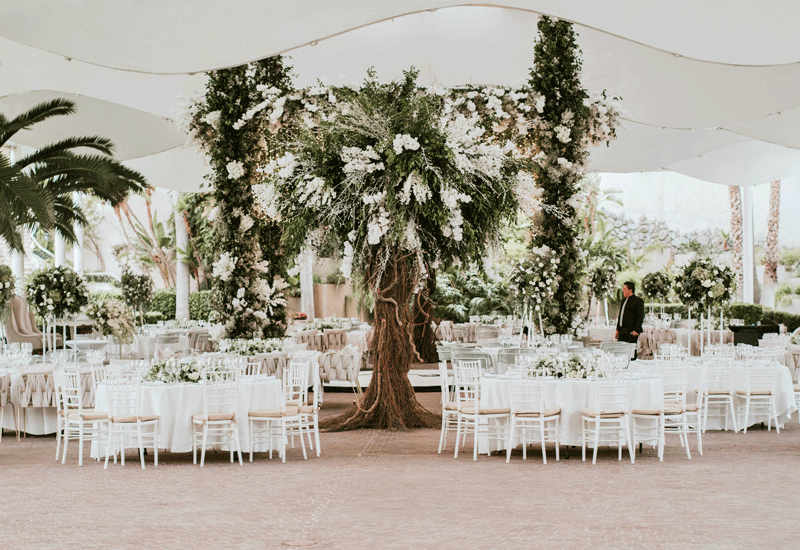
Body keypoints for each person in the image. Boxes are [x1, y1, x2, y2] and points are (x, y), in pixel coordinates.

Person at [615, 281, 644, 359]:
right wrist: (617, 329)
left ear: (630, 290)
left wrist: (637, 330)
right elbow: (620, 316)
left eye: (624, 288)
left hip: (632, 331)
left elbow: (640, 316)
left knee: (631, 354)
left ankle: (633, 368)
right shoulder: (624, 300)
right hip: (622, 330)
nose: (622, 290)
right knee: (620, 352)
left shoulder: (638, 301)